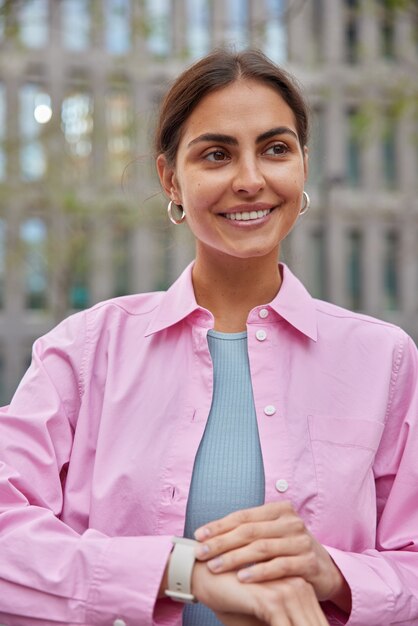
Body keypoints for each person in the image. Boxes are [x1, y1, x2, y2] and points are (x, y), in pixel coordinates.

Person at [0, 48, 417, 626]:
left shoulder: (384, 360)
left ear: (302, 166)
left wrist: (335, 575)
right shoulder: (84, 350)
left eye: (275, 149)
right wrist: (181, 571)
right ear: (171, 177)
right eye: (216, 154)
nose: (250, 180)